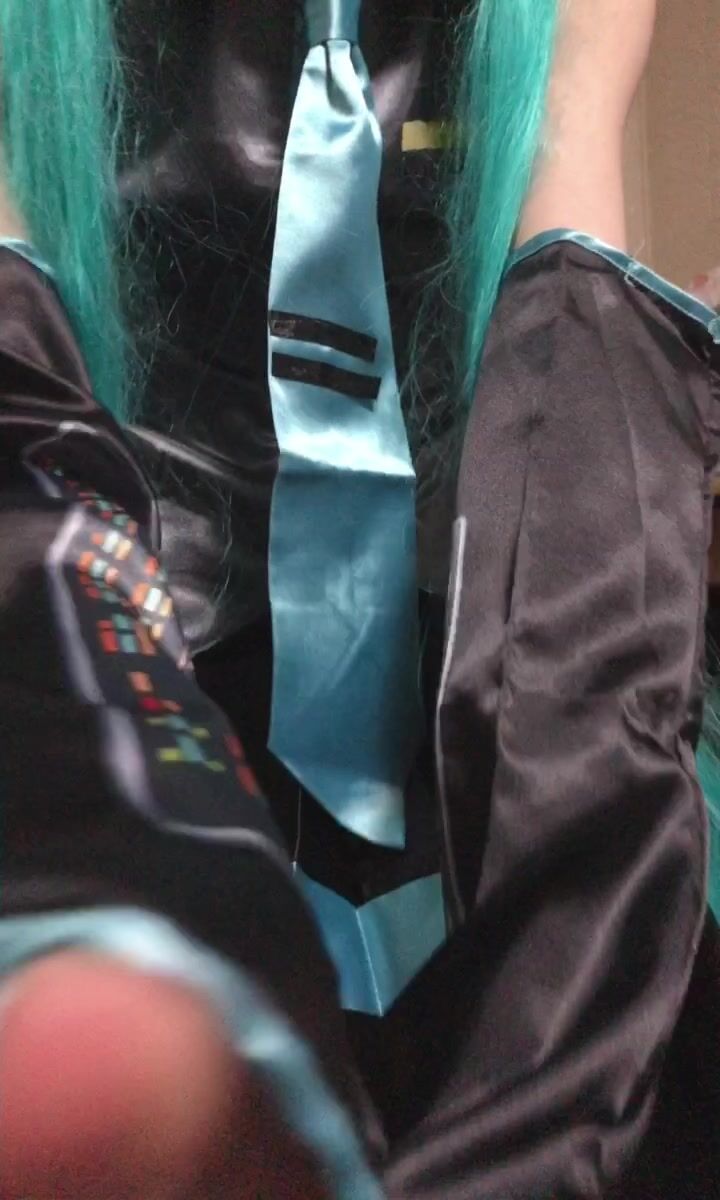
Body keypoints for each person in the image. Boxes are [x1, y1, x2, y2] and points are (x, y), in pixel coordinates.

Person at [1, 1, 719, 1198]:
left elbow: (578, 475)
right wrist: (125, 889)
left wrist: (565, 1052)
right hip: (135, 671)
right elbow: (21, 460)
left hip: (474, 673)